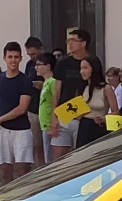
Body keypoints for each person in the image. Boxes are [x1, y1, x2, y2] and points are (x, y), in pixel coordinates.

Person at [0, 41, 35, 184]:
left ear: (20, 58)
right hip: (1, 131)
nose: (13, 60)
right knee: (4, 171)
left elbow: (22, 108)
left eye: (16, 57)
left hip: (21, 130)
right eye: (10, 57)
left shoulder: (25, 81)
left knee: (23, 170)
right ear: (5, 58)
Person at [52, 30, 92, 159]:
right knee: (58, 159)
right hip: (64, 114)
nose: (70, 44)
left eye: (73, 41)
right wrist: (53, 117)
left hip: (84, 115)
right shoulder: (63, 63)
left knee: (81, 157)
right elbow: (56, 91)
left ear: (83, 43)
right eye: (68, 41)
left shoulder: (92, 61)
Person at [75, 55, 116, 148]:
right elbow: (77, 116)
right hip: (84, 127)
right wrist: (81, 112)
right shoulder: (81, 89)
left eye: (85, 68)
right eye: (81, 68)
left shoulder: (106, 88)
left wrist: (104, 119)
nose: (82, 71)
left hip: (99, 126)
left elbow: (116, 112)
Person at [24, 36, 47, 164]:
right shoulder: (29, 65)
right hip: (33, 108)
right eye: (29, 54)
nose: (31, 57)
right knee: (36, 145)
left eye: (33, 54)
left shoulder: (51, 62)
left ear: (40, 49)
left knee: (49, 144)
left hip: (47, 107)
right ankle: (40, 168)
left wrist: (43, 85)